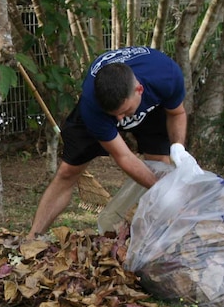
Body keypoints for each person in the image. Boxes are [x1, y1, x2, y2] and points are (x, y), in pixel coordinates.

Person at [28, 46, 188, 237]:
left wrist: (178, 147)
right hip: (100, 113)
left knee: (159, 165)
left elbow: (177, 112)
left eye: (124, 112)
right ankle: (33, 238)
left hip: (151, 111)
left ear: (139, 90)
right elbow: (124, 156)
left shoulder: (166, 75)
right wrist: (162, 189)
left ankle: (157, 238)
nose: (121, 120)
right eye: (115, 115)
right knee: (67, 172)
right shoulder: (93, 104)